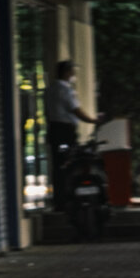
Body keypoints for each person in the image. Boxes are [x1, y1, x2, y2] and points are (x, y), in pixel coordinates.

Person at [45, 59, 100, 208]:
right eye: (72, 71)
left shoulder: (50, 89)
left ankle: (59, 200)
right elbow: (76, 109)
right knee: (70, 163)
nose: (74, 74)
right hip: (64, 132)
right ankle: (68, 200)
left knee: (58, 166)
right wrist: (93, 120)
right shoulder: (65, 90)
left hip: (54, 130)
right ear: (66, 72)